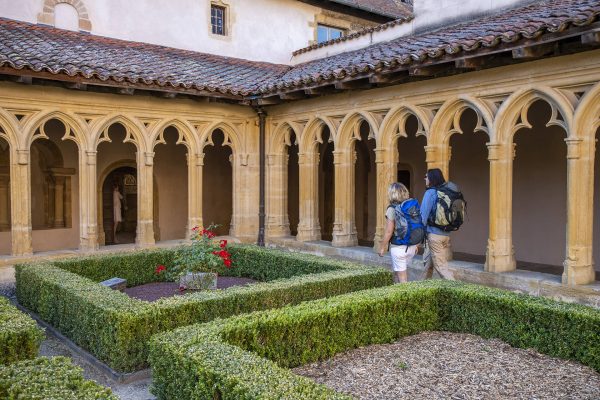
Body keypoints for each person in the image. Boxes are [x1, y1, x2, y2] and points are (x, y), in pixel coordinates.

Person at [378, 182, 419, 283]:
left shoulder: (392, 208)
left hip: (399, 247)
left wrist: (382, 246)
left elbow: (389, 231)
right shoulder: (410, 207)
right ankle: (396, 293)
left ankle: (406, 298)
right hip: (412, 246)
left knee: (402, 279)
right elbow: (417, 225)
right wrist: (417, 244)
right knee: (398, 272)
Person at [420, 168, 455, 280]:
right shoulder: (446, 192)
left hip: (434, 236)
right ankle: (421, 290)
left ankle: (459, 291)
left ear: (431, 179)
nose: (424, 179)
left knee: (442, 268)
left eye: (426, 177)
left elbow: (423, 216)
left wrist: (417, 236)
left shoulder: (430, 192)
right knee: (428, 266)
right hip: (445, 235)